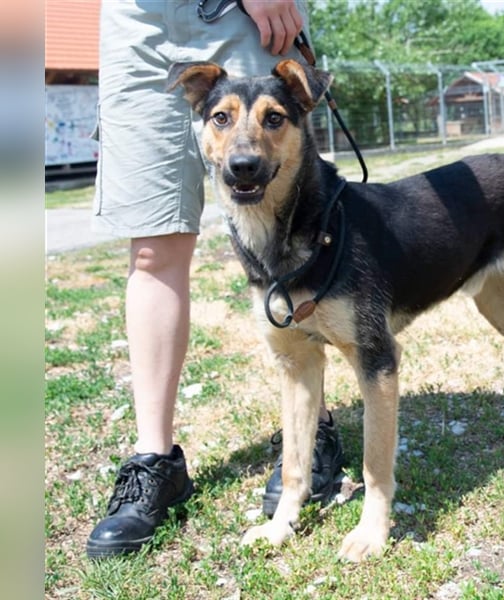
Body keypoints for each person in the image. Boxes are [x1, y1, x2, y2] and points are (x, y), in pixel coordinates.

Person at [86, 0, 344, 559]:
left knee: (293, 223)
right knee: (151, 247)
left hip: (241, 13)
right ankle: (155, 462)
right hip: (139, 21)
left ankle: (311, 434)